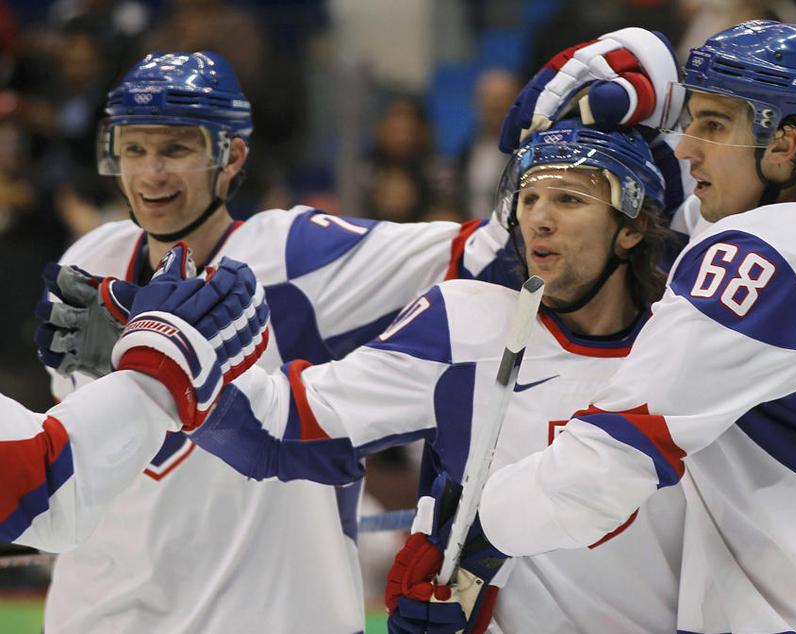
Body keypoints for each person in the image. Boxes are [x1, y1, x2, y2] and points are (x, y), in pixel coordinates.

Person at [35, 46, 675, 633]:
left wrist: (621, 91)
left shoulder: (299, 254)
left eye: (175, 149)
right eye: (134, 149)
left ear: (230, 156)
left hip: (263, 611)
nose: (150, 174)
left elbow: (491, 253)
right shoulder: (91, 258)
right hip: (101, 606)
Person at [470, 20, 796, 632]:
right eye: (689, 120)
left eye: (714, 126)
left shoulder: (768, 260)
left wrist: (479, 531)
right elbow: (695, 217)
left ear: (785, 145)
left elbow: (615, 456)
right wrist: (640, 133)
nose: (689, 146)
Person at [169, 117, 686, 633]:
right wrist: (176, 357)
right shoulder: (463, 325)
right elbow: (284, 426)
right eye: (529, 199)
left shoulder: (695, 346)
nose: (539, 220)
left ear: (634, 226)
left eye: (569, 200)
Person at [3, 243, 267, 554]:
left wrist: (141, 369)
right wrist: (158, 366)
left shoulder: (293, 245)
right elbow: (47, 491)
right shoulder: (94, 248)